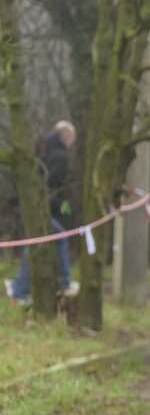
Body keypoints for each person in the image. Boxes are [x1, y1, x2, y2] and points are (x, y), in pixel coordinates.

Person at [6, 120, 77, 305]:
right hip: (43, 207)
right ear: (67, 136)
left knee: (39, 242)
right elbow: (55, 185)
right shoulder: (61, 156)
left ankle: (23, 288)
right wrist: (63, 208)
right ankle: (61, 283)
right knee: (56, 239)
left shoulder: (42, 148)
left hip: (31, 204)